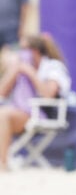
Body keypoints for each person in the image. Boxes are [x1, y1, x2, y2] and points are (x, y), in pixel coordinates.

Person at [0, 33, 71, 171]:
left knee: (2, 116)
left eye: (24, 48)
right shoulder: (20, 65)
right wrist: (13, 71)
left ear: (35, 51)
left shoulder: (53, 67)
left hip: (44, 114)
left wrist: (30, 72)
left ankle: (2, 163)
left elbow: (48, 95)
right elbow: (2, 92)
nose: (20, 52)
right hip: (21, 112)